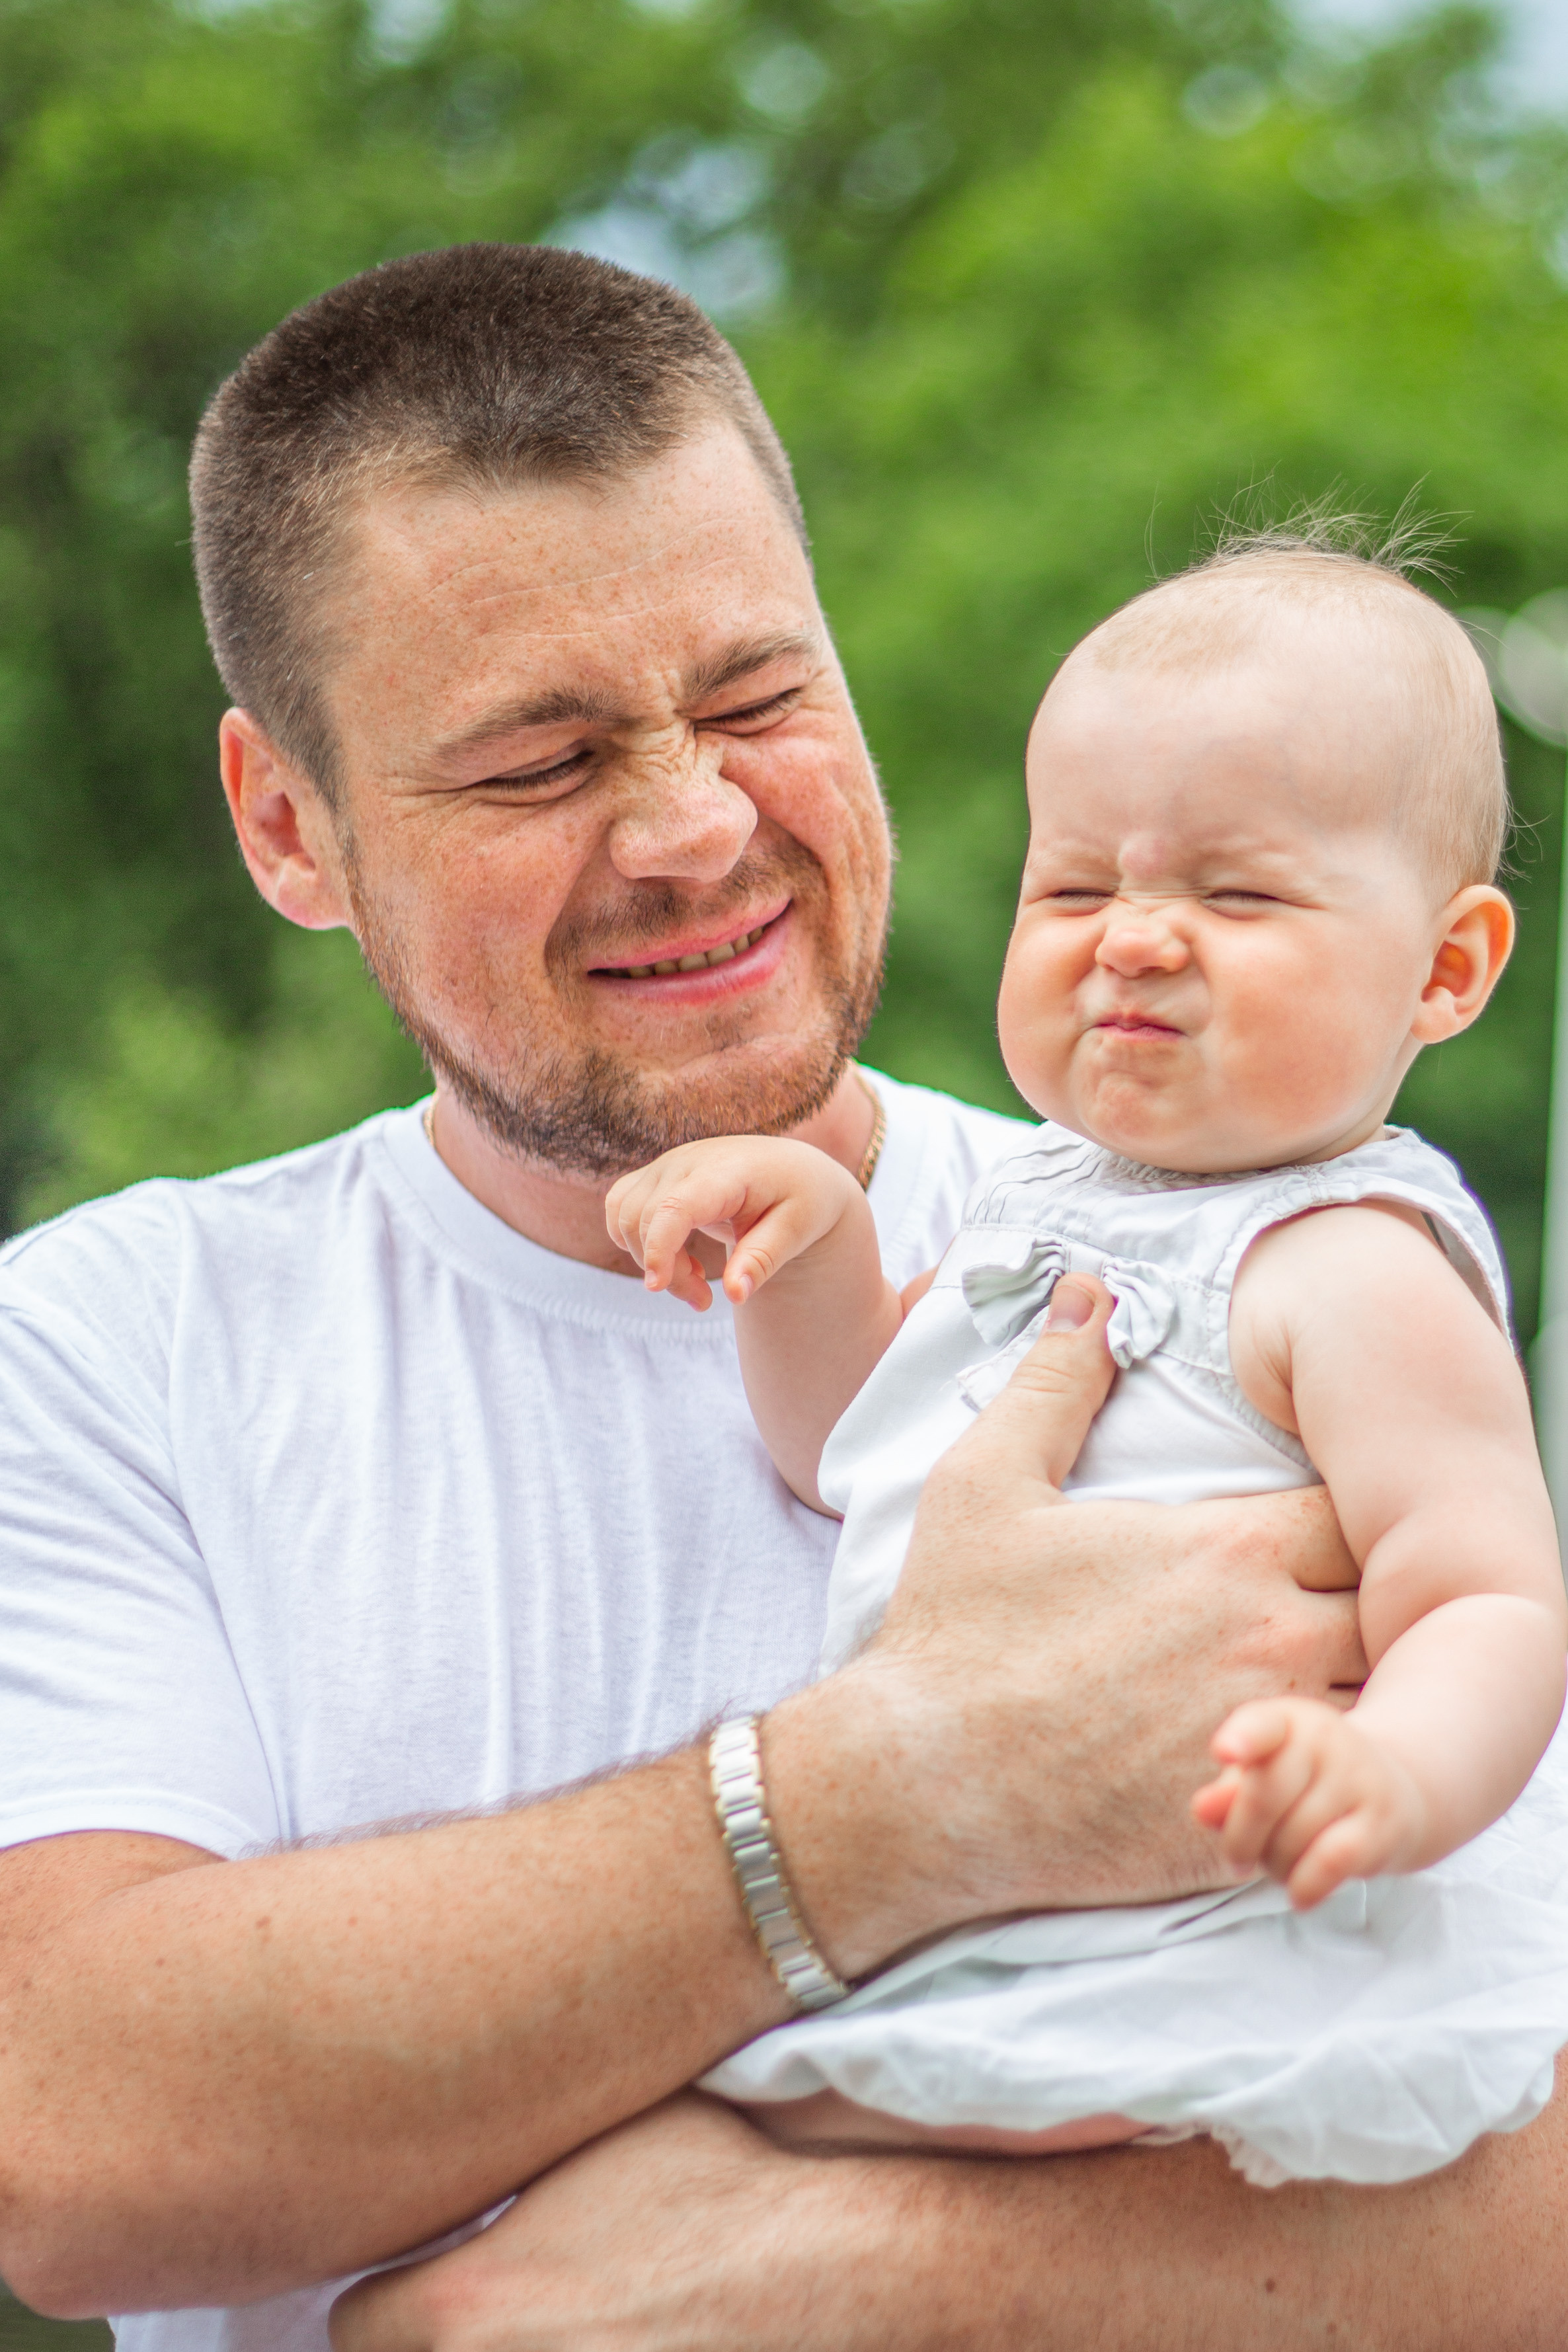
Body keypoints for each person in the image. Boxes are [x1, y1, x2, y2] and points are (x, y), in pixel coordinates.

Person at [0, 244, 1554, 2352]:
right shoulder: (104, 1347)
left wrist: (839, 2276)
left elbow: (1506, 2047)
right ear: (291, 824)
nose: (693, 822)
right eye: (537, 762)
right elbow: (67, 2138)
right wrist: (900, 1784)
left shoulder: (1227, 1258)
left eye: (755, 700)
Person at [611, 537, 1568, 2185]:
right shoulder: (1038, 1200)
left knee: (780, 2162)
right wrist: (813, 1248)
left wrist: (1390, 1775)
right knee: (733, 2140)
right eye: (1072, 889)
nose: (1130, 939)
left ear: (1444, 969)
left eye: (1235, 894)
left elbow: (1486, 1599)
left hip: (1215, 1913)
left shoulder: (1349, 1267)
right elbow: (848, 1450)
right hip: (972, 1882)